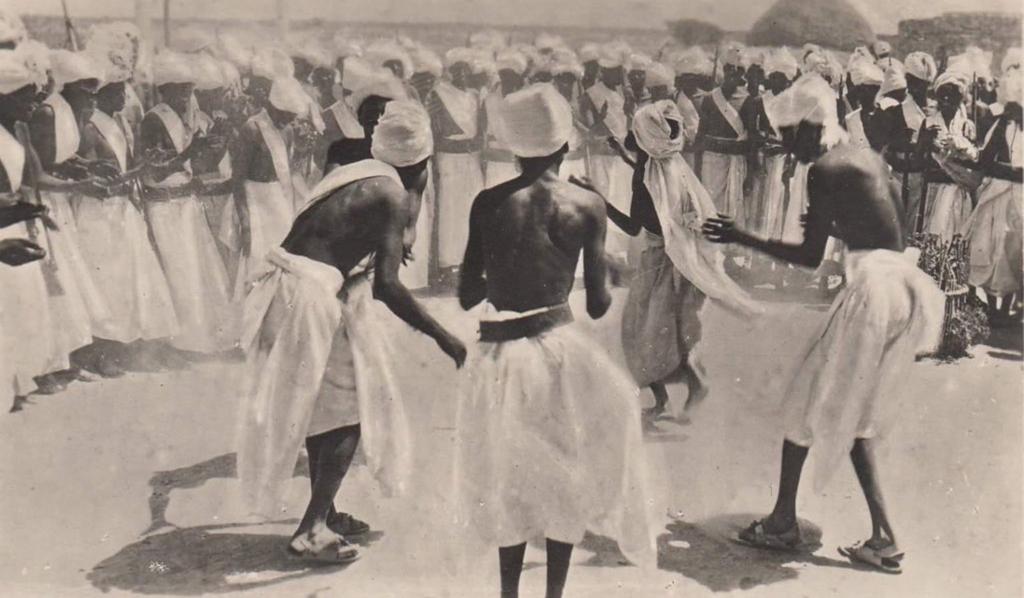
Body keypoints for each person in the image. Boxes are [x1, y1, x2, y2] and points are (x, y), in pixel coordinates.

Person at [703, 74, 944, 573]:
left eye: (789, 136)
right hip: (905, 288)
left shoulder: (825, 170)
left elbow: (811, 256)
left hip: (874, 290)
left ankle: (784, 523)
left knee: (806, 401)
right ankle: (879, 536)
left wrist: (740, 236)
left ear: (811, 128)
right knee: (849, 412)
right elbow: (881, 230)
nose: (785, 148)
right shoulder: (864, 157)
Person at [238, 99, 466, 563]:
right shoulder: (391, 194)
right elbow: (386, 287)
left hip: (288, 287)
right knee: (349, 410)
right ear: (422, 162)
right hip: (308, 296)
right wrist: (445, 336)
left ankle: (328, 510)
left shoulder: (354, 171)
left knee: (321, 405)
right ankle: (312, 528)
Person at [454, 84, 653, 598]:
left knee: (508, 475)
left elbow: (466, 293)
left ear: (515, 148)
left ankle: (508, 593)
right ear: (565, 146)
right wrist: (604, 267)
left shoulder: (488, 202)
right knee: (567, 467)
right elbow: (596, 306)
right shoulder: (587, 204)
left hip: (501, 352)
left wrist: (502, 274)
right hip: (559, 348)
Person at [598, 100, 760, 419]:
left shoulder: (645, 175)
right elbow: (657, 189)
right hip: (681, 259)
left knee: (643, 330)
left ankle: (685, 388)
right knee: (667, 330)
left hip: (660, 259)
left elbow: (635, 224)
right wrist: (623, 155)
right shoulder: (673, 164)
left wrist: (599, 200)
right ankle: (670, 396)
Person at [76, 50, 181, 373]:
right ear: (102, 94)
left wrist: (143, 168)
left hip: (124, 209)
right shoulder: (90, 127)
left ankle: (139, 346)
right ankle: (105, 352)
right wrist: (138, 172)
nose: (124, 97)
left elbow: (129, 166)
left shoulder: (119, 122)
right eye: (117, 91)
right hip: (100, 213)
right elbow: (97, 180)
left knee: (138, 279)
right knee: (109, 281)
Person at [139, 51, 235, 355]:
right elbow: (155, 169)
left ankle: (199, 340)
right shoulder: (153, 120)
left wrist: (215, 144)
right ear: (165, 90)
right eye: (178, 89)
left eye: (188, 89)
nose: (185, 95)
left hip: (186, 204)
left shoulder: (186, 119)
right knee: (179, 272)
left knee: (198, 271)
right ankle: (177, 343)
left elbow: (199, 164)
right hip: (166, 206)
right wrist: (190, 151)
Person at [0, 48, 60, 409]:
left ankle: (18, 381)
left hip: (11, 224)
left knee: (22, 307)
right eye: (23, 98)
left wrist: (33, 212)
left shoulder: (15, 132)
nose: (31, 106)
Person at [230, 75, 306, 299]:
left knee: (285, 258)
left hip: (278, 200)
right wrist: (245, 221)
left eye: (292, 117)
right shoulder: (252, 129)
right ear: (273, 107)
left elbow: (289, 171)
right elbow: (237, 179)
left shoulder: (288, 131)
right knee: (256, 260)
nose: (288, 121)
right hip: (254, 200)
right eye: (284, 116)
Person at [965, 52, 1022, 323]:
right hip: (999, 194)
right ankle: (993, 307)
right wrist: (1012, 172)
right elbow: (986, 162)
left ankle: (1007, 307)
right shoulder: (1001, 127)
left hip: (1019, 198)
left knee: (1013, 250)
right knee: (991, 247)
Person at [425, 48, 484, 285]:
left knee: (473, 206)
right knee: (450, 210)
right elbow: (436, 131)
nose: (461, 73)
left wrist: (474, 144)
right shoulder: (438, 95)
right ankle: (448, 264)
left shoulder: (474, 96)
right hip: (449, 158)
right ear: (449, 72)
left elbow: (480, 129)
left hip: (472, 159)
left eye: (465, 69)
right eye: (456, 69)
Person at [879, 51, 937, 233]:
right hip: (902, 178)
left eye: (922, 84)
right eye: (912, 82)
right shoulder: (896, 111)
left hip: (928, 180)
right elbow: (888, 150)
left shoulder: (937, 111)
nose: (917, 88)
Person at [918, 69, 977, 242]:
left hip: (958, 190)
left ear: (960, 100)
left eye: (952, 97)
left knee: (953, 240)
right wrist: (925, 142)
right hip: (933, 187)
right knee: (931, 239)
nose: (946, 101)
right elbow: (918, 159)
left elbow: (975, 162)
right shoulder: (929, 123)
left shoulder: (967, 126)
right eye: (942, 96)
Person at [696, 44, 750, 227]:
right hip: (712, 164)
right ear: (724, 70)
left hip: (737, 164)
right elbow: (700, 136)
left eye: (739, 71)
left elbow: (750, 141)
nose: (734, 74)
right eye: (730, 70)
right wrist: (695, 171)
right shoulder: (710, 99)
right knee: (711, 209)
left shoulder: (750, 100)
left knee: (734, 212)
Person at [480, 50, 526, 187]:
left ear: (518, 77)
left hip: (520, 165)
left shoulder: (525, 100)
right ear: (500, 75)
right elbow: (483, 133)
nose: (508, 79)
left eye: (512, 76)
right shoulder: (489, 101)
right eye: (504, 74)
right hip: (496, 163)